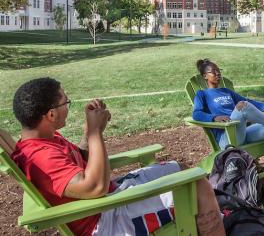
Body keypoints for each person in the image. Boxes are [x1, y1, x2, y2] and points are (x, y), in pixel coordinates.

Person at [11, 77, 225, 236]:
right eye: (66, 103)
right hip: (107, 222)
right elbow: (94, 187)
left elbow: (82, 163)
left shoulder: (44, 140)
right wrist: (95, 133)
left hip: (109, 203)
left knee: (179, 168)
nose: (68, 106)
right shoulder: (40, 157)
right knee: (196, 186)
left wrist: (91, 133)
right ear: (50, 114)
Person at [192, 59, 264, 198]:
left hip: (242, 132)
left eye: (219, 70)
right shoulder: (202, 94)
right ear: (205, 76)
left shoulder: (226, 91)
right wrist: (213, 118)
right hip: (227, 137)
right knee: (242, 105)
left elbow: (250, 102)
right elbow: (196, 113)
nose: (217, 73)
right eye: (213, 72)